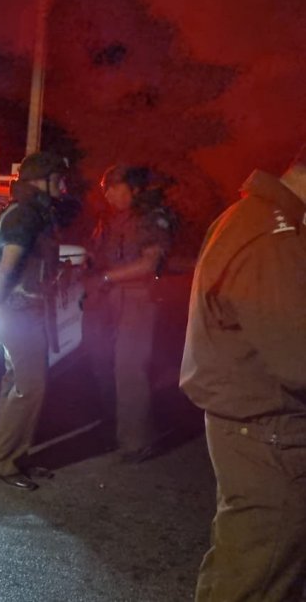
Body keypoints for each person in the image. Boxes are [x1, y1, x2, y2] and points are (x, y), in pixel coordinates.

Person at [180, 149, 306, 601]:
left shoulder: (257, 218)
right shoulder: (272, 237)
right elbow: (300, 357)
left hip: (255, 429)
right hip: (269, 434)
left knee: (245, 563)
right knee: (260, 575)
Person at [0, 151, 69, 491]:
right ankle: (4, 463)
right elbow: (8, 266)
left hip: (23, 312)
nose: (64, 187)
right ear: (42, 179)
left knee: (18, 386)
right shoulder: (23, 215)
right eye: (59, 180)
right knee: (30, 388)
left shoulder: (34, 212)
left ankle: (14, 457)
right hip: (18, 314)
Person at [84, 164, 175, 463]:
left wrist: (107, 278)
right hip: (110, 303)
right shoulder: (112, 218)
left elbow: (150, 264)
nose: (107, 194)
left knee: (129, 370)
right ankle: (117, 429)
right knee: (106, 367)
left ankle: (138, 442)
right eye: (105, 189)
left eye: (114, 187)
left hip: (138, 301)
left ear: (133, 188)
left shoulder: (151, 218)